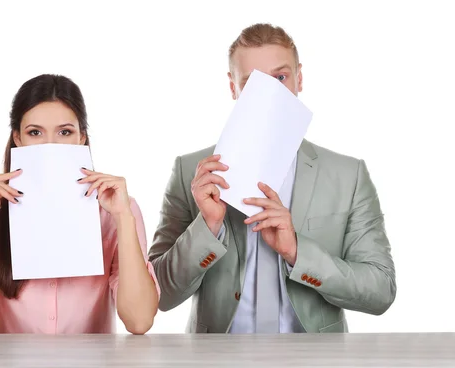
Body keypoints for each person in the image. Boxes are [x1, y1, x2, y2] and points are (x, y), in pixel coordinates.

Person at [148, 23, 396, 333]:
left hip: (315, 360)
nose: (270, 93)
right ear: (233, 87)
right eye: (252, 83)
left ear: (299, 78)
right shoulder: (191, 171)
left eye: (280, 77)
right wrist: (207, 227)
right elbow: (157, 295)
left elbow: (381, 292)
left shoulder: (348, 176)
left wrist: (297, 252)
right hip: (217, 359)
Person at [0, 74, 160, 335]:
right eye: (35, 132)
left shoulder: (116, 209)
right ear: (18, 139)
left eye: (65, 132)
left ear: (81, 138)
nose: (50, 145)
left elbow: (139, 321)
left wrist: (124, 218)